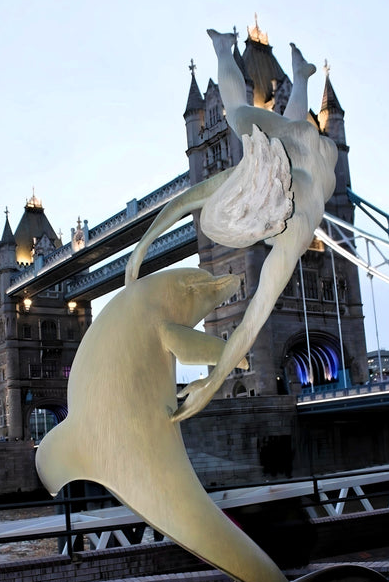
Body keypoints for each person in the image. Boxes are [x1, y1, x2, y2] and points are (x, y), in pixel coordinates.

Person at [126, 30, 338, 422]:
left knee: (242, 117)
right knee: (258, 120)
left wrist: (211, 383)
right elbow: (191, 198)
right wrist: (143, 245)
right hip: (308, 157)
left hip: (311, 163)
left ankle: (233, 51)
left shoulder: (289, 236)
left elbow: (248, 326)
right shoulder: (265, 188)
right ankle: (299, 76)